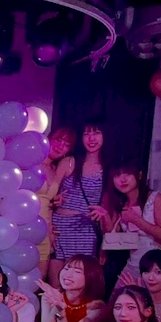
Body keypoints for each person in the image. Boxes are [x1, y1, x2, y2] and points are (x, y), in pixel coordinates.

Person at [90, 162, 161, 289]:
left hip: (155, 267)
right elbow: (111, 236)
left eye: (128, 174)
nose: (122, 179)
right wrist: (105, 216)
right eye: (117, 175)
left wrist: (136, 220)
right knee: (118, 298)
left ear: (139, 175)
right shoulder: (122, 203)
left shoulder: (155, 198)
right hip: (133, 264)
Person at [50, 121, 107, 285]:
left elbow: (107, 206)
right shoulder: (69, 162)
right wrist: (49, 226)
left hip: (85, 230)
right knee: (56, 284)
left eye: (96, 133)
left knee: (80, 284)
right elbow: (51, 195)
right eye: (86, 134)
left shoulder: (106, 168)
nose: (91, 138)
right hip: (59, 228)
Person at [38, 127, 76, 281]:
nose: (61, 146)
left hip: (45, 230)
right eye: (58, 140)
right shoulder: (30, 163)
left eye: (67, 144)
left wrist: (55, 202)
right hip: (23, 226)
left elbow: (49, 205)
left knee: (39, 279)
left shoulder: (55, 170)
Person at [37, 254, 106, 322]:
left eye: (77, 271)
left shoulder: (96, 306)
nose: (68, 274)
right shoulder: (50, 295)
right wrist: (56, 306)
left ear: (91, 277)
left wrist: (61, 309)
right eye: (66, 268)